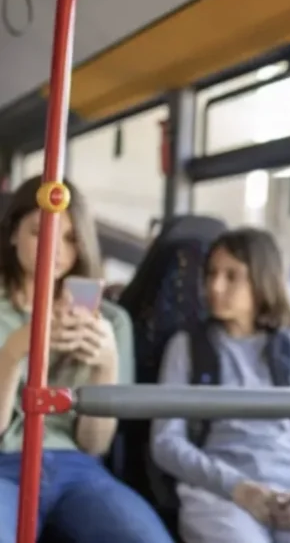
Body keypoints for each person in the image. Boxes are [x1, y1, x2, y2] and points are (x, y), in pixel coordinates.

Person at [151, 227, 290, 543]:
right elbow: (166, 442)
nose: (215, 287)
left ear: (262, 281)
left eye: (232, 276)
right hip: (218, 496)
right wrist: (237, 487)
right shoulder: (188, 349)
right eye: (212, 274)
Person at [0, 176, 173, 543]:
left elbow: (95, 444)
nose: (55, 249)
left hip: (77, 468)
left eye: (70, 239)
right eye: (39, 232)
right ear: (13, 233)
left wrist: (105, 364)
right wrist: (16, 350)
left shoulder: (110, 322)